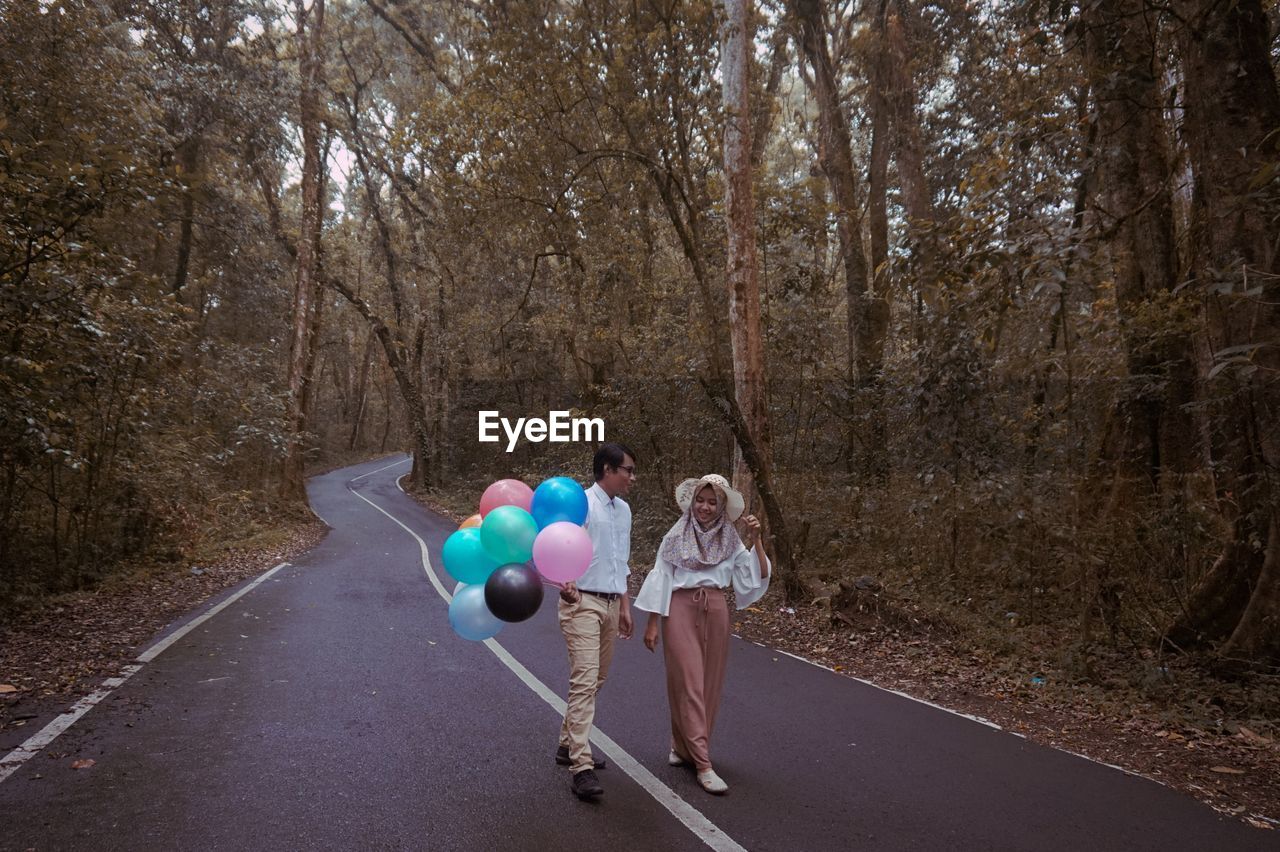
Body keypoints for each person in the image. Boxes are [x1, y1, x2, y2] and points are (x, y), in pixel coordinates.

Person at [634, 474, 770, 795]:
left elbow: (754, 577)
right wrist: (653, 623)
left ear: (721, 506)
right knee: (689, 681)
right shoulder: (676, 535)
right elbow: (662, 577)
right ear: (691, 500)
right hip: (680, 609)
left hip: (717, 610)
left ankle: (682, 746)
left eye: (712, 502)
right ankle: (703, 764)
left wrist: (757, 540)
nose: (705, 507)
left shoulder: (731, 541)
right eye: (700, 500)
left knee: (709, 684)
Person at [555, 442, 637, 800]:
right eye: (627, 470)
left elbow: (622, 561)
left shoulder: (625, 511)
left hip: (611, 603)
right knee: (585, 680)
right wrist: (564, 580)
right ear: (607, 469)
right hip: (582, 602)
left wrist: (626, 606)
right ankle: (581, 766)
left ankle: (565, 745)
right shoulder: (581, 504)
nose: (632, 477)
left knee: (598, 678)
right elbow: (557, 544)